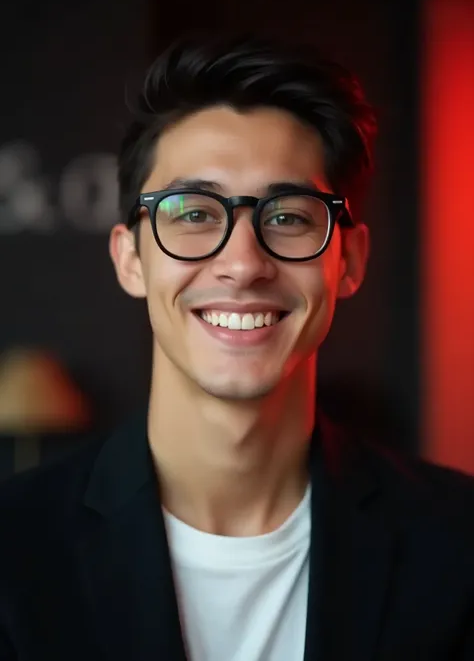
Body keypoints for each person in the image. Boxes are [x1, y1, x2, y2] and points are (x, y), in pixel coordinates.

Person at [0, 35, 473, 661]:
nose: (243, 264)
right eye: (194, 214)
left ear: (350, 261)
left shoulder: (459, 543)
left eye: (288, 216)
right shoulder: (13, 550)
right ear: (129, 259)